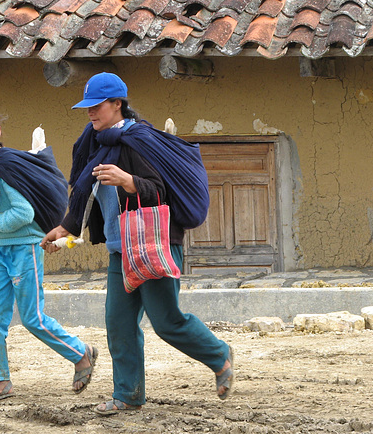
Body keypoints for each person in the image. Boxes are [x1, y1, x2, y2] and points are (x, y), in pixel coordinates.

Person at [41, 73, 234, 415]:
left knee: (166, 321)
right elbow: (86, 200)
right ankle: (128, 394)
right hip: (121, 248)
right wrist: (65, 233)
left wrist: (128, 181)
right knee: (118, 324)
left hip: (154, 244)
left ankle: (219, 355)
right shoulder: (94, 144)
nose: (90, 113)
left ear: (117, 104)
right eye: (87, 107)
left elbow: (161, 191)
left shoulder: (138, 141)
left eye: (97, 106)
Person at [0, 99, 97, 406]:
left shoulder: (4, 167)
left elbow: (23, 212)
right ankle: (0, 382)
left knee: (33, 318)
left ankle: (81, 353)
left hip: (25, 249)